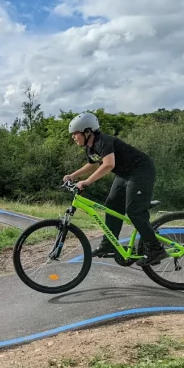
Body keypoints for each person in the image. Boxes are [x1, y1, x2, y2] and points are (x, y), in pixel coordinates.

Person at [62, 112, 168, 267]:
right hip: (125, 174)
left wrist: (87, 181)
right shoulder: (91, 148)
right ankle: (109, 243)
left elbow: (108, 164)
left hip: (141, 171)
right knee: (112, 205)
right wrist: (73, 175)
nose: (73, 137)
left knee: (134, 212)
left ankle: (155, 249)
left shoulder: (102, 141)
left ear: (87, 132)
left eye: (75, 134)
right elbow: (93, 164)